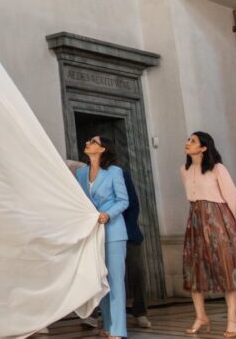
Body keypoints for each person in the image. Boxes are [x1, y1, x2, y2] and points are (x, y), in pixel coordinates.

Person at [182, 132, 236, 338]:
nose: (188, 143)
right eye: (188, 140)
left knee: (227, 267)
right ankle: (201, 316)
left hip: (219, 221)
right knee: (194, 268)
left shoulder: (217, 168)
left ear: (203, 148)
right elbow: (192, 197)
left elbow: (234, 198)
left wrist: (228, 225)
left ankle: (232, 319)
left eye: (193, 141)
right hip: (195, 220)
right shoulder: (184, 169)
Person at [75, 136, 129, 338]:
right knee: (100, 279)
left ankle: (118, 329)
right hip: (92, 233)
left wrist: (108, 214)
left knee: (115, 281)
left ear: (103, 149)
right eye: (88, 141)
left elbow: (123, 201)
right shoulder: (81, 173)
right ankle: (107, 325)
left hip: (114, 232)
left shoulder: (115, 172)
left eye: (93, 142)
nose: (87, 143)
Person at [121, 167, 152, 329]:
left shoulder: (121, 173)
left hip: (128, 230)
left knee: (137, 270)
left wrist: (128, 227)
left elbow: (133, 203)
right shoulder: (85, 173)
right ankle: (93, 314)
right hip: (101, 231)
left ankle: (140, 311)